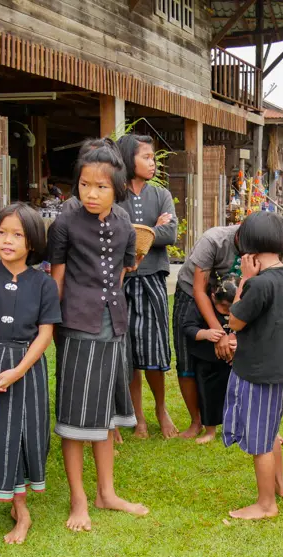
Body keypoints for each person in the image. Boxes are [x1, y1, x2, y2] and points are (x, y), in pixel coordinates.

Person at [48, 138, 146, 532]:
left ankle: (107, 492)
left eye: (101, 187)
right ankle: (79, 499)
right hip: (75, 326)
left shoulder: (124, 223)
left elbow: (123, 273)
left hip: (114, 327)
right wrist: (52, 329)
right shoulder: (64, 222)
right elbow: (56, 280)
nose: (91, 193)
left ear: (116, 188)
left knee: (104, 414)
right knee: (74, 418)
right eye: (85, 184)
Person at [0, 203, 61, 545]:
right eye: (1, 232)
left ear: (33, 241)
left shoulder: (44, 284)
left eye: (17, 234)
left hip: (27, 367)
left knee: (24, 435)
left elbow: (45, 334)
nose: (7, 240)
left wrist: (18, 371)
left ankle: (22, 511)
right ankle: (6, 496)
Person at [223, 211, 283, 520]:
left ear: (248, 248)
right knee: (269, 431)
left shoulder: (259, 284)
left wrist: (243, 279)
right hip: (279, 368)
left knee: (260, 440)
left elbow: (235, 321)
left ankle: (266, 504)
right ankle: (279, 486)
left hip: (257, 371)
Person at [116, 134, 179, 440]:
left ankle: (161, 408)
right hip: (122, 280)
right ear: (129, 159)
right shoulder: (115, 195)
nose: (152, 163)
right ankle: (138, 415)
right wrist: (152, 229)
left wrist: (141, 232)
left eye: (153, 157)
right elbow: (114, 234)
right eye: (146, 157)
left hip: (153, 278)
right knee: (129, 351)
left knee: (154, 349)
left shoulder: (161, 194)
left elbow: (171, 234)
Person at [182, 273, 238, 445]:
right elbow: (188, 328)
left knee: (236, 396)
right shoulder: (200, 306)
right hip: (206, 362)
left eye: (232, 308)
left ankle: (236, 429)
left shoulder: (241, 309)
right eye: (223, 307)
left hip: (233, 364)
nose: (227, 312)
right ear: (213, 296)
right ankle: (210, 430)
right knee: (208, 397)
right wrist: (206, 333)